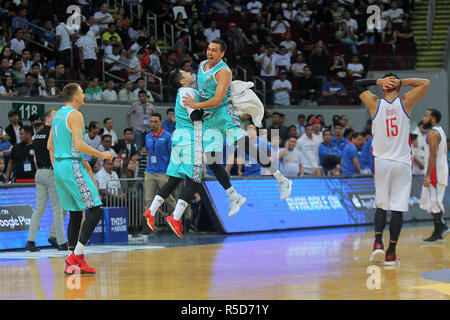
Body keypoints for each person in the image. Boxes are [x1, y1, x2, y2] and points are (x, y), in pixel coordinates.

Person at [183, 40, 291, 203]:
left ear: (222, 54)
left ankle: (282, 179)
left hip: (223, 114)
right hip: (208, 118)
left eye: (214, 50)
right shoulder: (202, 65)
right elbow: (202, 91)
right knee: (211, 160)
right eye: (209, 49)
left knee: (245, 146)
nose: (210, 53)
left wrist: (194, 105)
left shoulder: (224, 71)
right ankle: (234, 197)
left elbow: (217, 100)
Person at [355, 73, 430, 265]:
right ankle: (391, 253)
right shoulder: (405, 102)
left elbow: (356, 84)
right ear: (398, 88)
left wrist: (378, 82)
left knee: (381, 203)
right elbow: (425, 82)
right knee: (397, 208)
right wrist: (402, 83)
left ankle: (378, 242)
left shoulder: (374, 102)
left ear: (383, 88)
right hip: (403, 163)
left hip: (382, 161)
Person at [48, 83, 113, 275]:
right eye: (82, 92)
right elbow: (79, 143)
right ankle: (76, 255)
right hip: (71, 165)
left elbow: (50, 145)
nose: (84, 95)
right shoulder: (75, 114)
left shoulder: (57, 115)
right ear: (75, 96)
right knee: (96, 208)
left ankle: (73, 263)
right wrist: (101, 155)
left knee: (76, 212)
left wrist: (60, 164)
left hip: (60, 165)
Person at [25, 109, 67, 252]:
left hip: (39, 173)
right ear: (48, 119)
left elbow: (35, 157)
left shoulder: (37, 135)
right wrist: (58, 172)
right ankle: (62, 243)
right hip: (50, 171)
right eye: (55, 116)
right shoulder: (53, 133)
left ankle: (30, 241)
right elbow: (52, 155)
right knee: (57, 208)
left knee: (39, 208)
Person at [419, 109, 449, 243]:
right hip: (438, 171)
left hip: (435, 173)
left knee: (435, 203)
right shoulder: (440, 130)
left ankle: (438, 232)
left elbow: (432, 156)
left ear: (433, 119)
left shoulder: (432, 133)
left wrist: (427, 176)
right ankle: (441, 227)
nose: (423, 118)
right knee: (429, 202)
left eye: (426, 116)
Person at [143, 113, 177, 222]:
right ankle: (148, 224)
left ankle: (179, 219)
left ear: (160, 122)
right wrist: (147, 169)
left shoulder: (167, 136)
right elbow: (148, 154)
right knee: (148, 200)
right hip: (150, 172)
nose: (153, 124)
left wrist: (171, 172)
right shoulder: (147, 136)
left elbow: (172, 155)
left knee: (169, 199)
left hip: (163, 172)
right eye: (151, 121)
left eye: (155, 121)